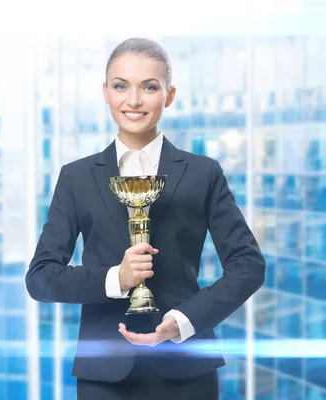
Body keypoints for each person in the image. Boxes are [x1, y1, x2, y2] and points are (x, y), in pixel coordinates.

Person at [26, 37, 266, 400]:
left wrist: (184, 321)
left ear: (169, 95)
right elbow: (40, 277)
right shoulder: (76, 177)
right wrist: (116, 279)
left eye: (149, 87)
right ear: (105, 92)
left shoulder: (204, 173)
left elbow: (248, 265)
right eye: (121, 86)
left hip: (186, 364)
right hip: (103, 373)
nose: (134, 100)